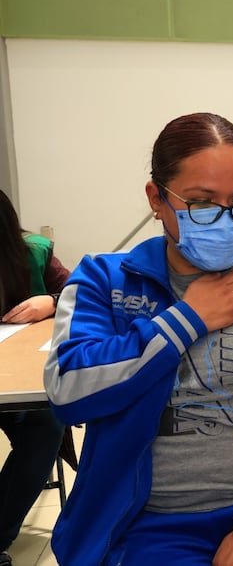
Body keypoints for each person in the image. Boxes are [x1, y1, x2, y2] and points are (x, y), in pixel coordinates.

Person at [43, 112, 233, 566]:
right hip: (149, 518)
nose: (226, 218)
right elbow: (69, 392)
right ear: (157, 198)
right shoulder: (105, 280)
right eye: (204, 204)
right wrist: (187, 318)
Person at [0, 189, 69, 566]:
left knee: (47, 426)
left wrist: (53, 301)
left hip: (16, 376)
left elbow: (81, 293)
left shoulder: (33, 250)